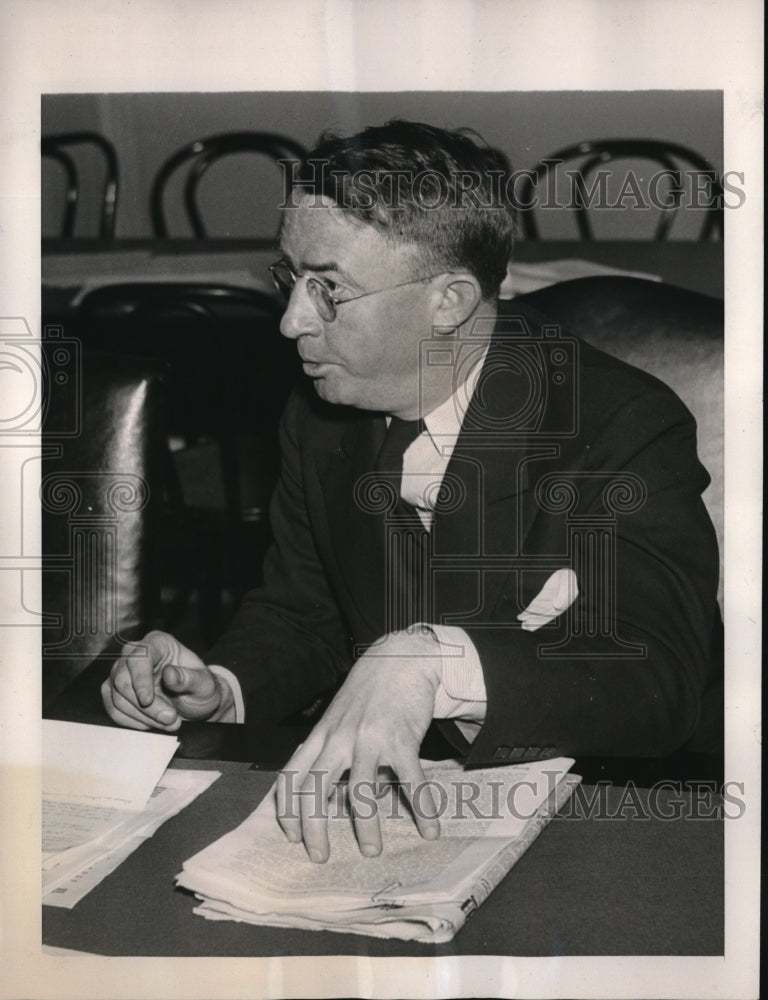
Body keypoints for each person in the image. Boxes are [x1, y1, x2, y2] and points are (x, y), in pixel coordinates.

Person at [102, 120, 722, 863]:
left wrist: (428, 659)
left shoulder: (621, 424)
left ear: (450, 301)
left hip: (612, 821)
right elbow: (307, 612)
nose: (292, 320)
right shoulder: (322, 414)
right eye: (288, 279)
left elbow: (658, 683)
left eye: (327, 288)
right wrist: (221, 686)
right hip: (401, 813)